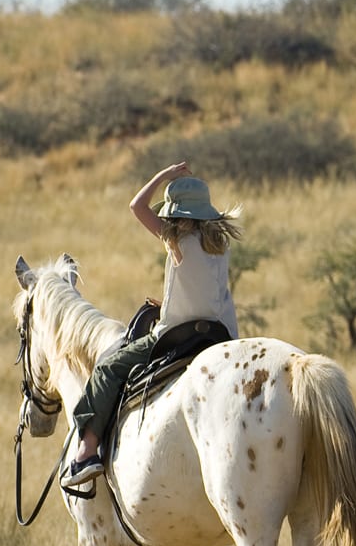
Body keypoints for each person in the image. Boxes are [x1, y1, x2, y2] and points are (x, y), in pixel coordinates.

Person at [63, 162, 241, 487]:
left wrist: (164, 175)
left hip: (178, 335)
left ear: (176, 214)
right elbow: (203, 289)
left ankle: (86, 452)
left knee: (107, 369)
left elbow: (137, 206)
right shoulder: (221, 245)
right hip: (219, 335)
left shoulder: (175, 240)